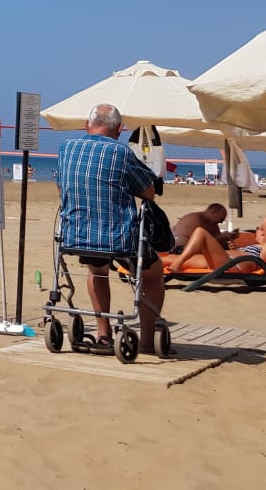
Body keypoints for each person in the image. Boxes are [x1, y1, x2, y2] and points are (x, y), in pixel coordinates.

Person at [57, 103, 165, 356]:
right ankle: (147, 341)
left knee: (97, 270)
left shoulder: (66, 148)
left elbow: (62, 187)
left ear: (87, 125)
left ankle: (103, 334)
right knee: (153, 273)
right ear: (119, 129)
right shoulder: (121, 152)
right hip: (118, 237)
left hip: (77, 234)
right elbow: (148, 192)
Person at [164, 217, 266, 274]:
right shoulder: (256, 247)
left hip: (233, 265)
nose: (256, 230)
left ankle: (179, 262)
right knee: (169, 259)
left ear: (265, 233)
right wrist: (235, 250)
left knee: (200, 232)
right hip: (223, 260)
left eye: (259, 228)